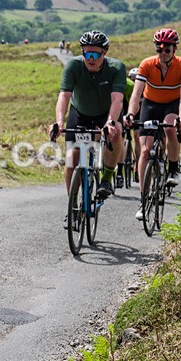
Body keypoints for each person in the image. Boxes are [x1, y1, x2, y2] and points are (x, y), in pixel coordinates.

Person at [51, 31, 126, 226]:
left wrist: (109, 122)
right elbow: (64, 96)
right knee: (72, 159)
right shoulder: (73, 66)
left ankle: (107, 179)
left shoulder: (116, 68)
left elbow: (117, 99)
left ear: (105, 53)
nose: (90, 59)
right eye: (86, 54)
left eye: (95, 55)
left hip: (105, 114)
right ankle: (73, 206)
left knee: (116, 131)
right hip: (80, 113)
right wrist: (59, 122)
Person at [125, 28, 181, 220]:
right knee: (145, 151)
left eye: (167, 49)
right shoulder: (146, 64)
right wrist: (131, 113)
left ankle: (172, 168)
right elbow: (136, 94)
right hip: (150, 103)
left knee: (170, 128)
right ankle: (143, 198)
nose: (163, 53)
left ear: (175, 49)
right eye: (159, 49)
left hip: (172, 104)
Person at [116, 67, 139, 188]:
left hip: (128, 111)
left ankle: (123, 171)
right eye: (132, 79)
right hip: (114, 111)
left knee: (132, 137)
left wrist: (130, 116)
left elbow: (133, 104)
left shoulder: (130, 86)